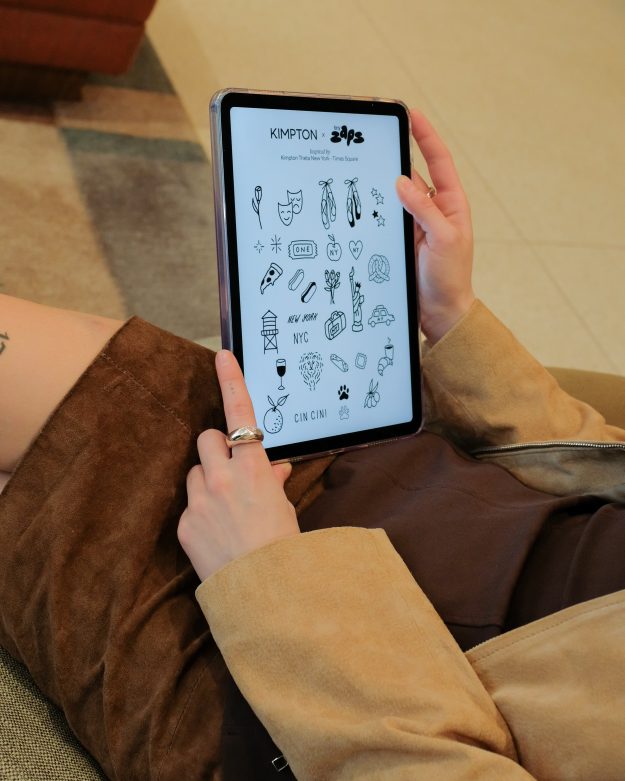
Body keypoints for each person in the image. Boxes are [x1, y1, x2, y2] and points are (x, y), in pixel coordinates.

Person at [1, 111, 624, 781]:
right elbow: (602, 469)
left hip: (305, 700)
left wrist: (270, 578)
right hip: (379, 471)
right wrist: (453, 316)